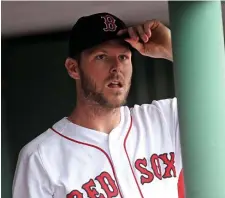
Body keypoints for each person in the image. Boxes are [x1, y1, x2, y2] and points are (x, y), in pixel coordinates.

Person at [13, 12, 184, 198]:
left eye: (123, 57)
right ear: (73, 68)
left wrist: (173, 48)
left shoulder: (165, 119)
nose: (116, 68)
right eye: (101, 57)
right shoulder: (40, 158)